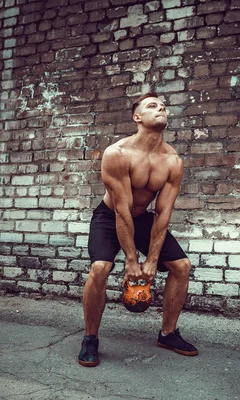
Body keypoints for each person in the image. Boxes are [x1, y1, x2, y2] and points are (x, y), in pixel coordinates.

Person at [78, 92, 198, 367]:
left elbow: (163, 214)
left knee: (181, 266)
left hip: (143, 218)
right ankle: (90, 338)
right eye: (152, 106)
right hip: (110, 216)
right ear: (137, 117)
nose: (161, 109)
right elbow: (121, 209)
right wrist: (132, 261)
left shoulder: (172, 161)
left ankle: (168, 333)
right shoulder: (117, 154)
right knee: (100, 268)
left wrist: (153, 259)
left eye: (163, 106)